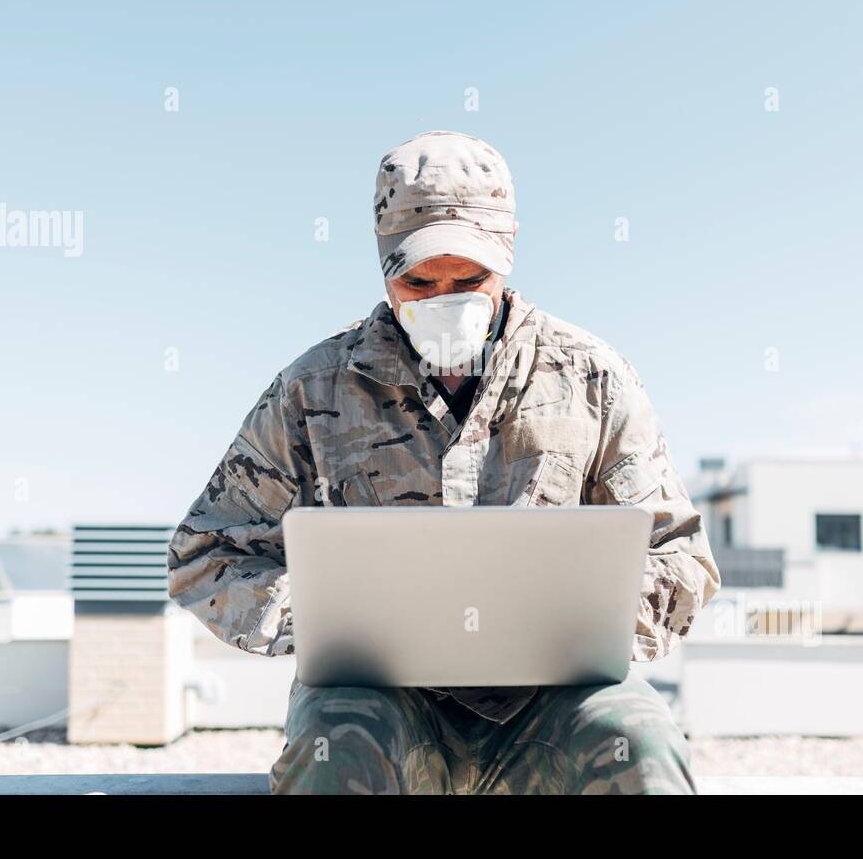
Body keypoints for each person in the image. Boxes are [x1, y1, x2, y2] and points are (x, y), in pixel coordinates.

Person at [167, 129, 720, 794]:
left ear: (507, 254)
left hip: (551, 704)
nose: (443, 302)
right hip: (386, 705)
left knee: (642, 741)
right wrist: (323, 623)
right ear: (384, 267)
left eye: (469, 280)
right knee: (334, 743)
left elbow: (681, 556)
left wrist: (594, 626)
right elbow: (206, 553)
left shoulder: (593, 378)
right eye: (418, 282)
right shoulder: (315, 388)